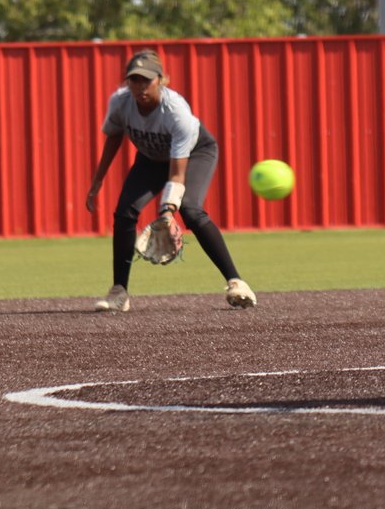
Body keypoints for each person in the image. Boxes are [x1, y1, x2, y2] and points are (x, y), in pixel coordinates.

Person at [85, 49, 257, 312]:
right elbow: (114, 137)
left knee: (190, 210)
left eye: (147, 80)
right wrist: (98, 181)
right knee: (124, 214)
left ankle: (237, 282)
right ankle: (119, 292)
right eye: (134, 80)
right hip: (151, 159)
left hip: (196, 153)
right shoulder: (121, 103)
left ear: (162, 80)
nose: (141, 86)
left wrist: (167, 213)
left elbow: (176, 173)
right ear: (126, 82)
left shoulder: (175, 112)